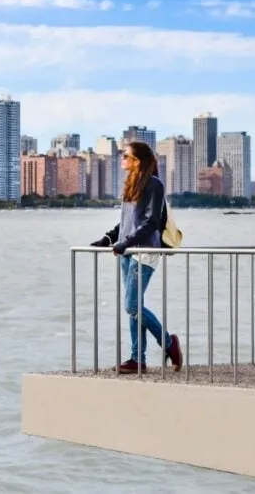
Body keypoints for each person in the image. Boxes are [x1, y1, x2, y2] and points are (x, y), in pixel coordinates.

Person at [91, 141, 183, 374]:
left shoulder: (155, 184)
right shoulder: (131, 184)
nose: (122, 158)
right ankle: (137, 359)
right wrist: (108, 238)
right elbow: (127, 222)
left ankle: (169, 344)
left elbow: (151, 223)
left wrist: (126, 243)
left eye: (125, 155)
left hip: (145, 252)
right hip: (127, 251)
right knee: (135, 308)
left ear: (137, 161)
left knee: (132, 305)